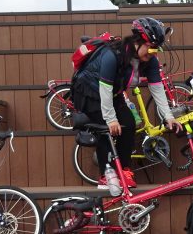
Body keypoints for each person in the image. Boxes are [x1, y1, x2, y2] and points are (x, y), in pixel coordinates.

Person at [71, 17, 179, 189]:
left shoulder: (149, 60)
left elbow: (157, 87)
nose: (153, 54)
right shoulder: (113, 55)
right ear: (138, 42)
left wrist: (169, 116)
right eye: (151, 49)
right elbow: (104, 88)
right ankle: (107, 175)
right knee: (106, 128)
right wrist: (111, 119)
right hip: (89, 92)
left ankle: (124, 170)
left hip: (113, 92)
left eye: (156, 51)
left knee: (128, 123)